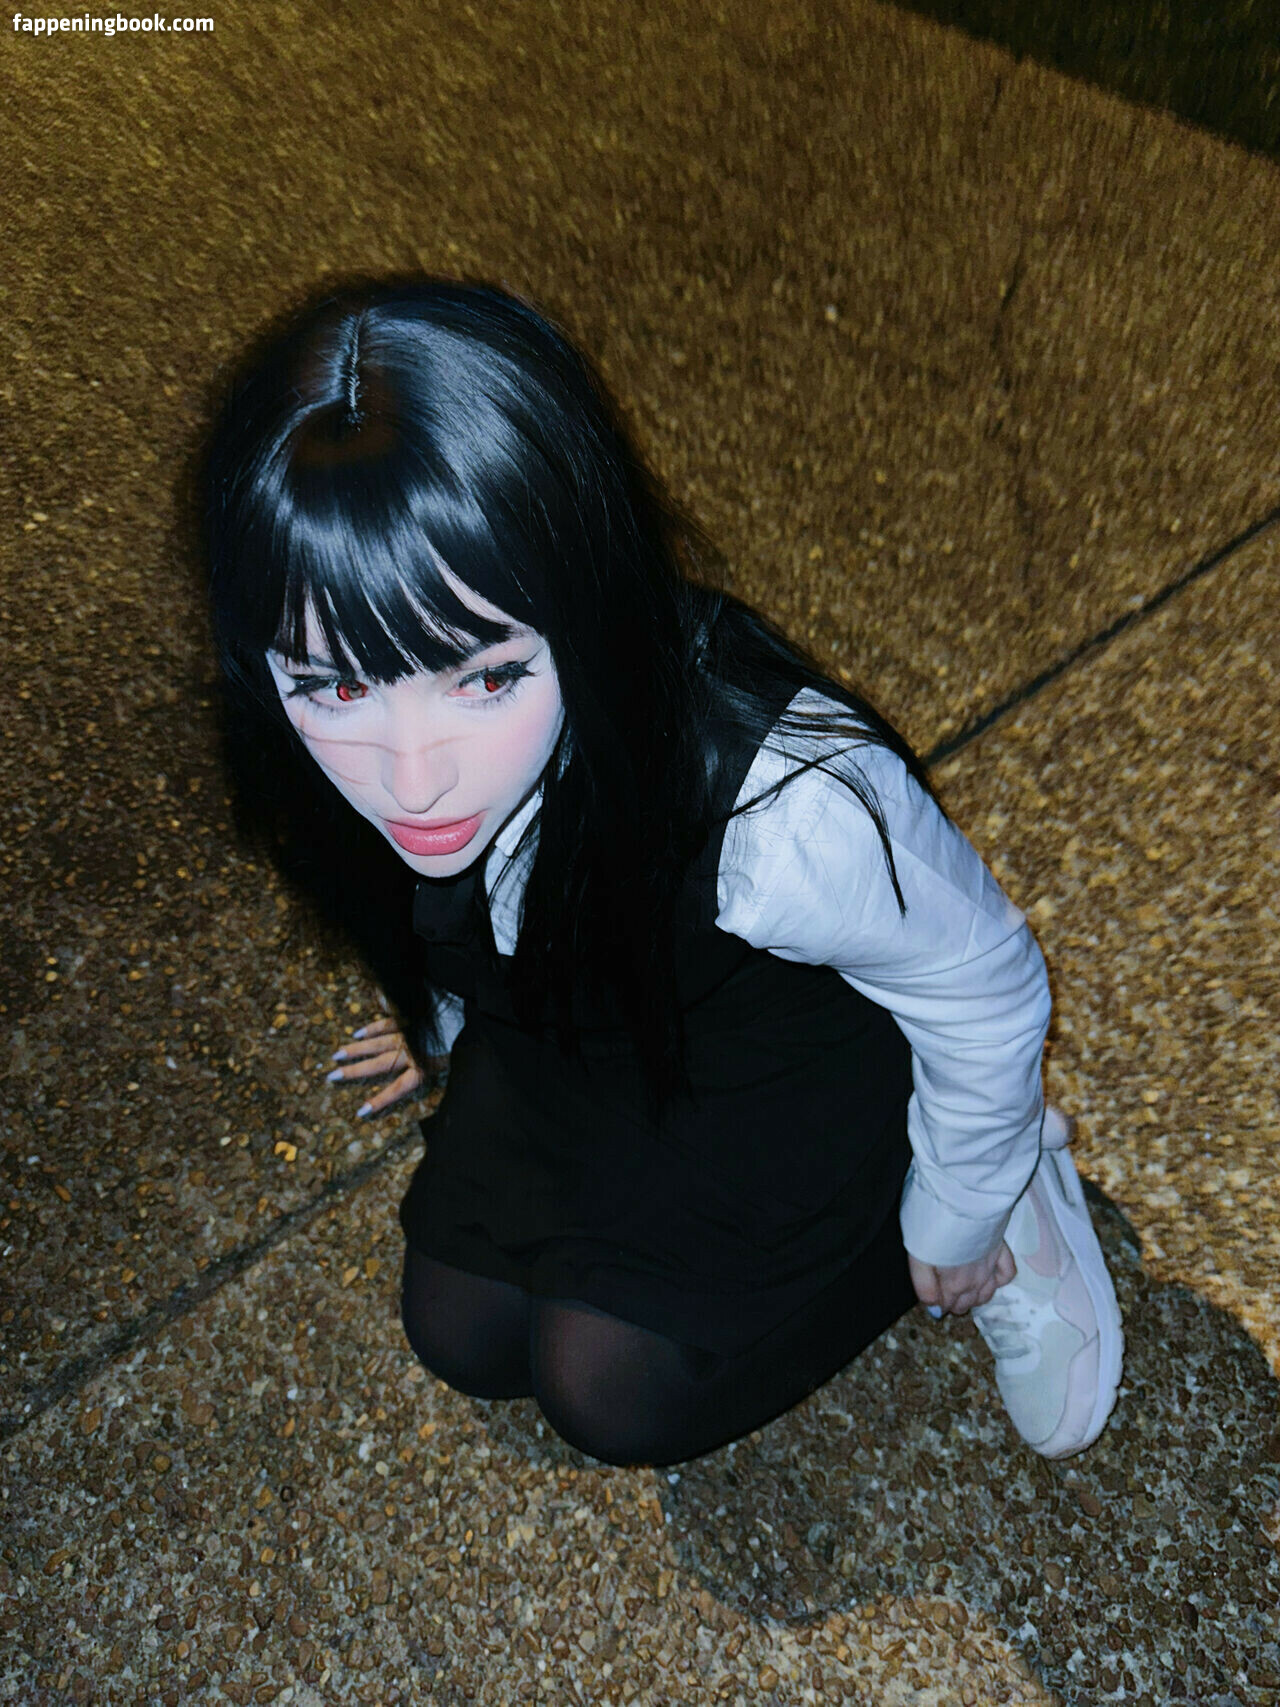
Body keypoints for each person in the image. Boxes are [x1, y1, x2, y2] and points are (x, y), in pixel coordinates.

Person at [203, 277, 1123, 1469]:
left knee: (610, 1395)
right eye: (334, 684)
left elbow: (984, 987)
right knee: (461, 1332)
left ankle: (1007, 1193)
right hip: (574, 1036)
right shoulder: (297, 754)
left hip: (776, 1061)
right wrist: (440, 1011)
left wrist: (957, 1210)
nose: (411, 780)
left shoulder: (780, 799)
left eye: (484, 676)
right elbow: (424, 896)